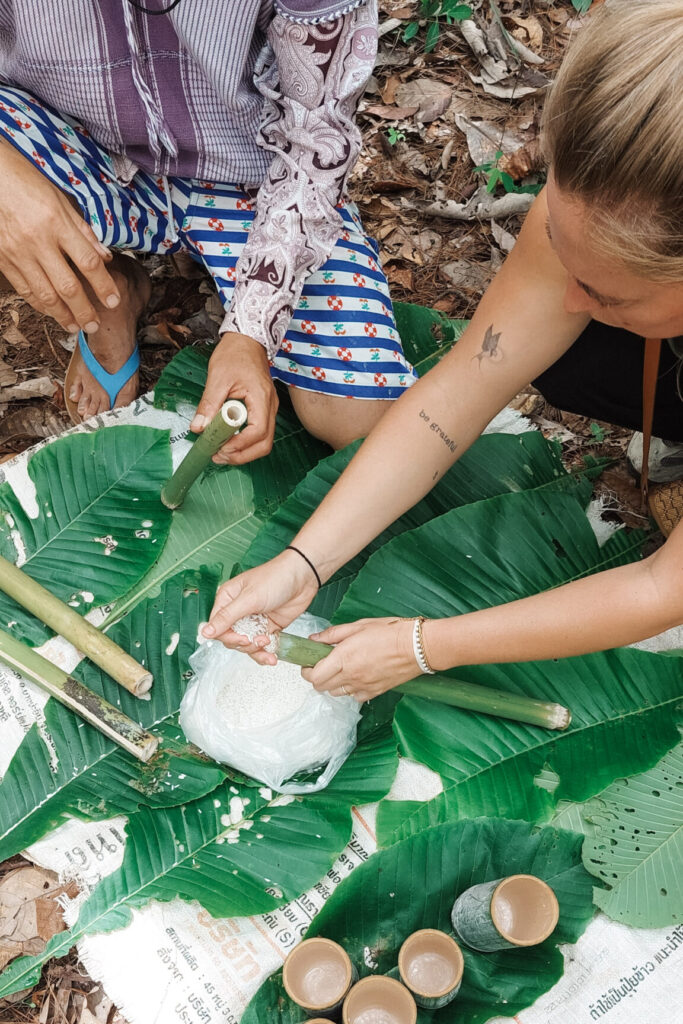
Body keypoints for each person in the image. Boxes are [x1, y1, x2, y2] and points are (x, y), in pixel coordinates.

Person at [202, 0, 683, 700]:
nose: (574, 303)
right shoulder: (604, 199)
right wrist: (304, 562)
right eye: (567, 261)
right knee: (571, 350)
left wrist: (424, 646)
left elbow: (661, 585)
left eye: (607, 295)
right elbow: (458, 393)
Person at [0, 0, 416, 461]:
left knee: (356, 418)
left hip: (254, 175)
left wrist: (251, 332)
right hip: (74, 147)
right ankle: (104, 292)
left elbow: (316, 142)